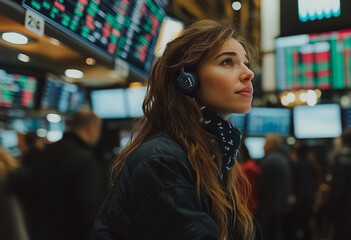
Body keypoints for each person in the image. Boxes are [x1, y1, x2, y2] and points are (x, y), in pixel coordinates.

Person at [91, 19, 257, 239]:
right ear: (186, 79)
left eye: (246, 63)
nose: (249, 73)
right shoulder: (160, 160)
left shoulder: (213, 154)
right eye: (228, 62)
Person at [16, 110, 104, 240]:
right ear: (91, 128)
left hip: (38, 232)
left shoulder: (48, 151)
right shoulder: (84, 158)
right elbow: (88, 213)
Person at [256, 133, 292, 240]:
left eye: (265, 143)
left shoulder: (269, 161)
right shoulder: (282, 158)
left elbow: (262, 186)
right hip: (280, 204)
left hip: (270, 206)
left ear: (271, 144)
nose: (263, 146)